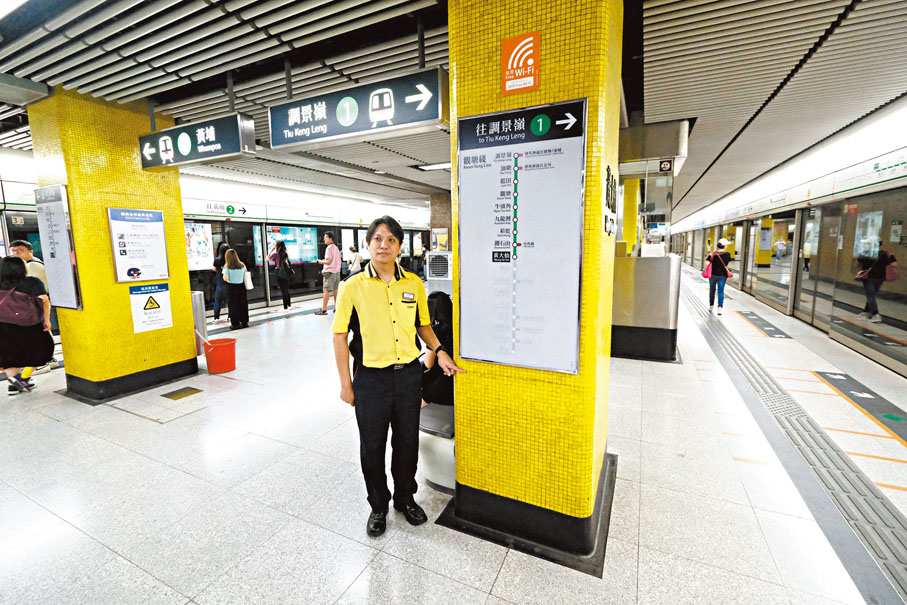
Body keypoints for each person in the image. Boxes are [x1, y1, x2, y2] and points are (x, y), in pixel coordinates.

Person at [331, 216, 464, 537]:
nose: (384, 245)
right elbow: (339, 336)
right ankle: (378, 505)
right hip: (370, 379)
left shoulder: (414, 284)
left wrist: (440, 350)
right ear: (368, 244)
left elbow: (423, 325)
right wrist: (346, 385)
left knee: (406, 442)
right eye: (377, 239)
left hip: (408, 377)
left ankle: (405, 498)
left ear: (400, 246)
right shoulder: (352, 286)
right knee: (372, 446)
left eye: (391, 240)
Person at [0, 256, 54, 394]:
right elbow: (44, 300)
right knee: (42, 349)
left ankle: (13, 384)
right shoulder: (32, 282)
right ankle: (23, 378)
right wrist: (46, 319)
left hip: (3, 324)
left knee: (9, 354)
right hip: (30, 324)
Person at [9, 240, 58, 374]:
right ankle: (50, 359)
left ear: (30, 252)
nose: (16, 254)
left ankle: (42, 362)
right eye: (13, 251)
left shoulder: (32, 266)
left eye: (20, 251)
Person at [857, 248, 898, 323]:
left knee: (870, 295)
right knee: (872, 295)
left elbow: (859, 260)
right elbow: (894, 264)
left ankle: (875, 314)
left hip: (868, 277)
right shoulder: (885, 254)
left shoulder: (866, 253)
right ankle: (866, 311)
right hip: (880, 278)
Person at [315, 231, 341, 315]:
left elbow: (328, 261)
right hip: (336, 272)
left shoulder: (329, 248)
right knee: (336, 290)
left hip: (329, 273)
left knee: (326, 290)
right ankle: (337, 308)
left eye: (326, 237)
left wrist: (321, 261)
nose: (324, 239)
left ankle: (323, 310)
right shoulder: (336, 248)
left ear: (331, 239)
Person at [223, 249, 249, 329]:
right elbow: (245, 274)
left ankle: (235, 324)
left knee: (233, 305)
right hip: (241, 286)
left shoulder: (227, 266)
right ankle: (244, 322)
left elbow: (226, 278)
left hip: (232, 287)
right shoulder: (242, 265)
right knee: (243, 304)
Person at [707, 238, 732, 315]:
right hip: (722, 276)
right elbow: (728, 262)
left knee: (712, 290)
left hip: (713, 275)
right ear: (724, 246)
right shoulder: (728, 254)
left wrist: (710, 258)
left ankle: (711, 306)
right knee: (720, 291)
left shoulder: (712, 254)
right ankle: (720, 308)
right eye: (726, 245)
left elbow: (706, 263)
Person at [269, 241, 293, 309]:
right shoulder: (285, 254)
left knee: (283, 290)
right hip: (285, 272)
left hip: (278, 272)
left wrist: (271, 250)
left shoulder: (276, 254)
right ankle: (289, 304)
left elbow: (267, 259)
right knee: (286, 289)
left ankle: (285, 306)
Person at [212, 243, 229, 323]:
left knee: (217, 301)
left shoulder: (216, 260)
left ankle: (216, 318)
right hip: (228, 283)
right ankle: (229, 317)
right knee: (229, 302)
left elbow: (214, 269)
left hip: (220, 284)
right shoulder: (229, 261)